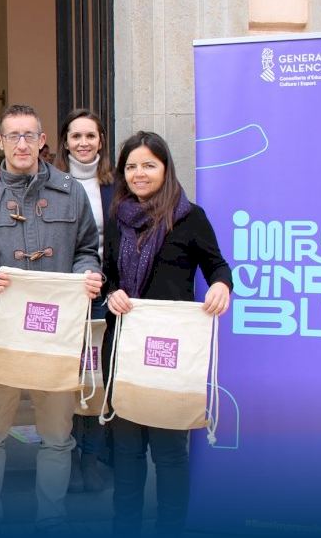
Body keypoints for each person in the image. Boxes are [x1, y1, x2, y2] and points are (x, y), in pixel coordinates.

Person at [0, 104, 103, 531]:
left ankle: (51, 520)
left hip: (57, 335)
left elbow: (87, 249)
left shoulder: (70, 191)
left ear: (42, 140)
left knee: (58, 437)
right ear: (0, 142)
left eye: (29, 135)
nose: (21, 144)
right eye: (13, 136)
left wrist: (86, 275)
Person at [103, 131, 232, 537]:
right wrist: (111, 293)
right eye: (131, 166)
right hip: (123, 346)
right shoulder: (117, 216)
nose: (139, 174)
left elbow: (217, 266)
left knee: (170, 454)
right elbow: (107, 275)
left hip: (169, 352)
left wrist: (220, 286)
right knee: (127, 454)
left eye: (149, 165)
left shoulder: (189, 217)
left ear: (165, 168)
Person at [55, 108, 116, 493]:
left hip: (103, 294)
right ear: (64, 142)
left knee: (95, 379)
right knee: (65, 380)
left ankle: (92, 459)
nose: (83, 143)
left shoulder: (116, 186)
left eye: (90, 136)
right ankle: (69, 456)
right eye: (75, 136)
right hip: (64, 294)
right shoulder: (51, 183)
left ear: (101, 141)